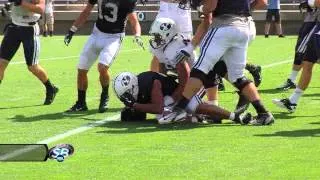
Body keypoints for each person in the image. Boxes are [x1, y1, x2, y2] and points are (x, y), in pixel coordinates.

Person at [161, 0, 275, 126]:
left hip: (224, 26)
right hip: (244, 27)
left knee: (200, 69)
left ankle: (180, 109)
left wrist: (201, 8)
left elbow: (211, 6)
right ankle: (263, 113)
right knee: (237, 77)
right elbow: (262, 2)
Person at [64, 0, 144, 113]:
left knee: (102, 67)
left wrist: (137, 35)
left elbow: (134, 20)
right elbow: (86, 11)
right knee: (81, 68)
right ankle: (81, 103)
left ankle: (104, 96)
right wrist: (72, 29)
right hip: (96, 34)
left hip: (114, 37)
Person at [113, 71, 251, 125]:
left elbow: (158, 107)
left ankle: (235, 116)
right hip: (170, 99)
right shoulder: (138, 86)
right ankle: (200, 118)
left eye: (126, 95)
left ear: (132, 87)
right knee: (164, 116)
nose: (126, 99)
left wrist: (134, 106)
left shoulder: (150, 83)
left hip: (185, 91)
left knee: (189, 107)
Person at [0, 0, 58, 105]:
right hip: (13, 27)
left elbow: (40, 9)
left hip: (29, 29)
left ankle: (50, 88)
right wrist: (7, 7)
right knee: (1, 63)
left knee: (32, 66)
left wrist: (21, 2)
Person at [272, 2, 320, 112]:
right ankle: (292, 101)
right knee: (307, 62)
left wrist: (310, 2)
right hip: (317, 25)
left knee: (304, 56)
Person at [276, 3, 317, 90]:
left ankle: (291, 80)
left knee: (302, 51)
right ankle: (291, 80)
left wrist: (309, 2)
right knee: (301, 51)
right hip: (310, 20)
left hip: (315, 22)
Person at [150, 0, 193, 73]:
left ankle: (188, 82)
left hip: (182, 20)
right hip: (163, 16)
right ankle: (156, 80)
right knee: (157, 53)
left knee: (182, 55)